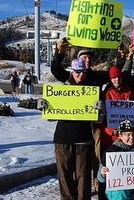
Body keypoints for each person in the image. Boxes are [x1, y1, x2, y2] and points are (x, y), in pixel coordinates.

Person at [51, 59, 95, 200]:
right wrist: (46, 106)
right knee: (64, 175)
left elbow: (98, 115)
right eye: (77, 72)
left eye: (83, 72)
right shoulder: (64, 87)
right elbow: (55, 69)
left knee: (83, 176)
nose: (80, 75)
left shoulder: (91, 89)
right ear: (72, 72)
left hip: (83, 139)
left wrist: (99, 109)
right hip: (63, 137)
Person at [95, 66, 134, 200]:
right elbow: (101, 120)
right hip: (110, 139)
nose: (116, 79)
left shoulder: (129, 91)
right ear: (110, 79)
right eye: (114, 77)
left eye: (118, 77)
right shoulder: (105, 93)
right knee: (106, 171)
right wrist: (112, 130)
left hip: (127, 138)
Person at [97, 119, 134, 200]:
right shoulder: (112, 151)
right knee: (121, 192)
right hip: (119, 190)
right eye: (128, 135)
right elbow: (100, 179)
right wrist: (103, 173)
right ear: (120, 136)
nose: (131, 137)